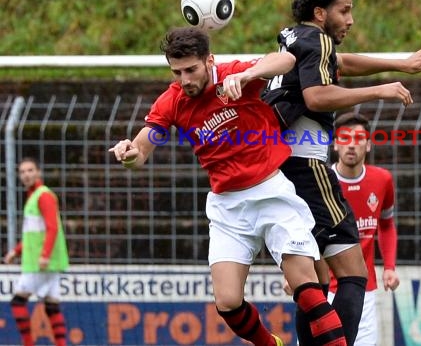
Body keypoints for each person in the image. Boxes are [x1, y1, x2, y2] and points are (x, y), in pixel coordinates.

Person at [109, 26, 348, 346]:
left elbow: (286, 61)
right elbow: (142, 150)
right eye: (177, 72)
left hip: (271, 193)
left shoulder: (233, 76)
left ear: (209, 61)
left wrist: (250, 75)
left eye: (191, 70)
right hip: (228, 208)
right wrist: (129, 153)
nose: (185, 80)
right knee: (227, 302)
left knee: (307, 290)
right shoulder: (172, 102)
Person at [261, 0, 421, 345]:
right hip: (307, 167)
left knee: (314, 282)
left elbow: (340, 63)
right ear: (320, 12)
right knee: (354, 274)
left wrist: (401, 65)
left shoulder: (297, 37)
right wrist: (381, 90)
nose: (350, 20)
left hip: (277, 166)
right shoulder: (317, 41)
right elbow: (316, 96)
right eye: (344, 11)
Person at [329, 112, 400, 346]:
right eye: (345, 138)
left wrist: (389, 267)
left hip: (364, 291)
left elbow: (387, 225)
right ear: (335, 144)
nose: (351, 144)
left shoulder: (382, 180)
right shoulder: (321, 181)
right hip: (322, 290)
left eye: (359, 138)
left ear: (368, 145)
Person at [3, 157, 69, 346]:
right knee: (52, 306)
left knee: (17, 302)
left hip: (40, 262)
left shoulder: (44, 196)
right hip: (45, 261)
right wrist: (16, 251)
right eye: (23, 172)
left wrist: (44, 255)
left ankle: (28, 343)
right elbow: (34, 233)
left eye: (30, 170)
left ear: (38, 172)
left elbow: (52, 228)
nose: (26, 175)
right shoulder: (33, 197)